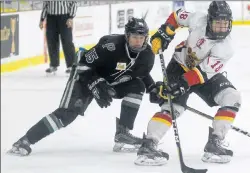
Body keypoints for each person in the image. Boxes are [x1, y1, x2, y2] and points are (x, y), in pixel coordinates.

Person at [7, 17, 156, 156]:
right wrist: (95, 84)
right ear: (127, 36)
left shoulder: (147, 55)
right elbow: (83, 64)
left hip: (108, 81)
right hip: (84, 76)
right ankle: (25, 141)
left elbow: (141, 75)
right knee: (67, 115)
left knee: (137, 86)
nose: (138, 41)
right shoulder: (110, 45)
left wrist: (155, 90)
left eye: (141, 38)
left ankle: (123, 133)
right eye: (134, 37)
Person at [134, 1, 242, 166]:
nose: (222, 28)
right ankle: (149, 144)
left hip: (203, 74)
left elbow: (202, 73)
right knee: (173, 108)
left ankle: (215, 141)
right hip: (178, 66)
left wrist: (182, 84)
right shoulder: (199, 19)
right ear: (209, 19)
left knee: (232, 97)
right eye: (217, 23)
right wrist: (166, 32)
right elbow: (177, 16)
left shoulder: (226, 48)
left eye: (225, 24)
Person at [39, 1, 78, 74]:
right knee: (51, 41)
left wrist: (71, 17)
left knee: (67, 41)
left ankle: (71, 65)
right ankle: (53, 65)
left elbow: (74, 3)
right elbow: (45, 5)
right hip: (51, 18)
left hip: (64, 17)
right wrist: (42, 19)